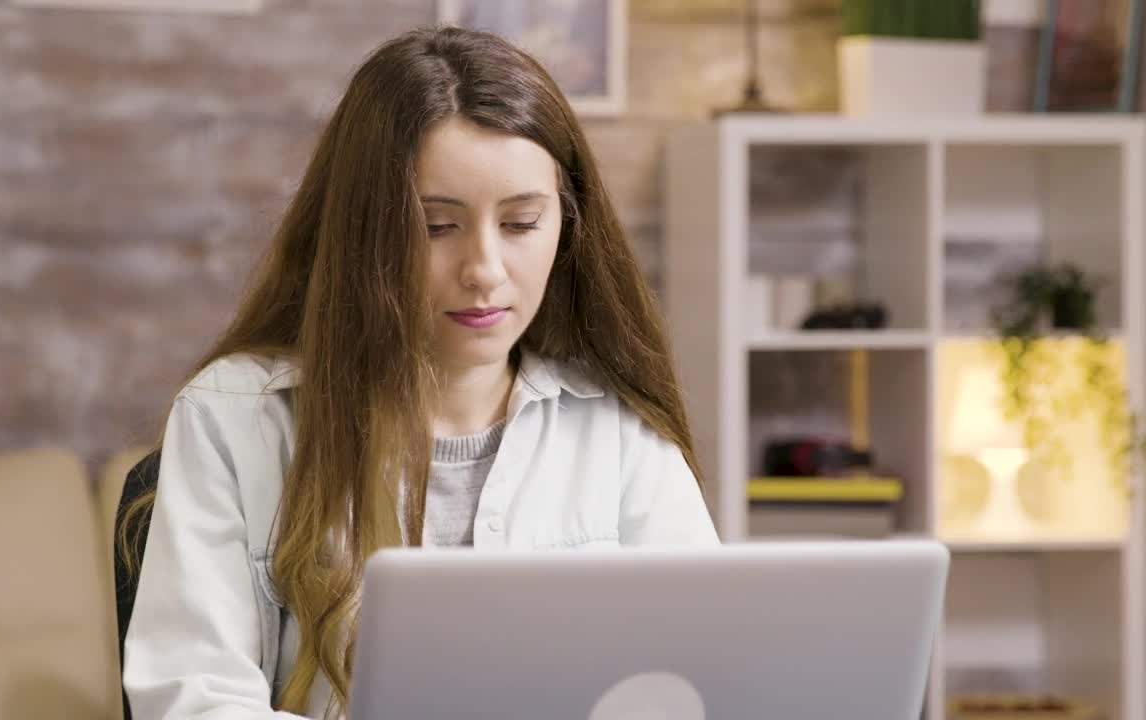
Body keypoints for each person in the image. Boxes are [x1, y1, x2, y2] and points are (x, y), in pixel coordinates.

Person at [120, 24, 719, 720]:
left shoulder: (620, 432)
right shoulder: (233, 419)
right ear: (364, 232)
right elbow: (196, 702)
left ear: (566, 224)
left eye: (521, 224)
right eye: (436, 227)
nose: (485, 271)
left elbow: (706, 681)